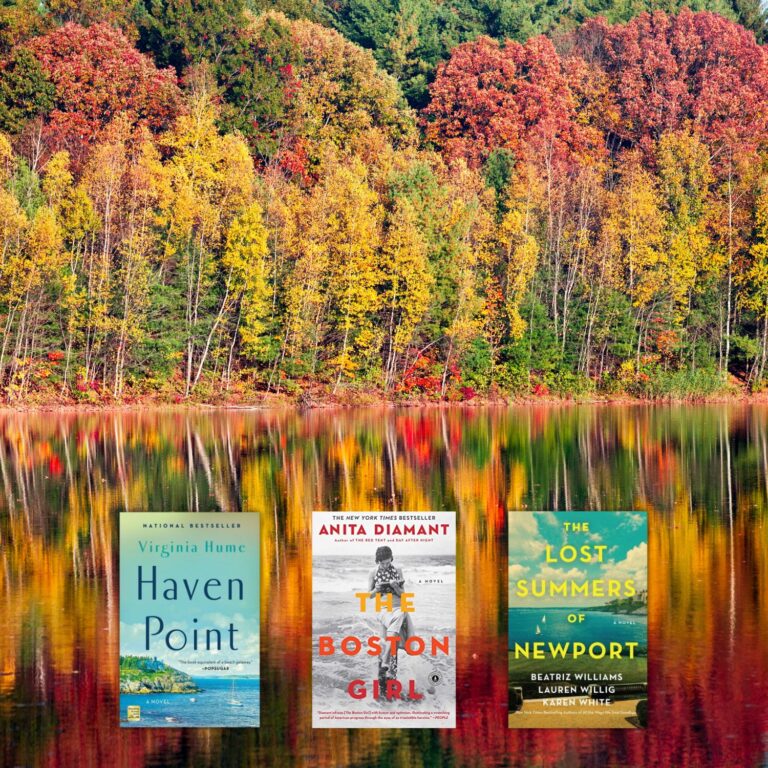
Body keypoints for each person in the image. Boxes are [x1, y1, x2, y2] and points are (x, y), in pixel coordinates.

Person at [367, 545, 415, 695]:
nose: (385, 565)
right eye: (382, 563)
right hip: (384, 609)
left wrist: (396, 587)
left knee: (393, 642)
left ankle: (392, 683)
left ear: (391, 559)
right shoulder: (373, 572)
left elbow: (403, 595)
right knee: (384, 643)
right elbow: (369, 595)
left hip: (398, 608)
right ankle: (382, 684)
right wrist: (377, 589)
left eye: (388, 562)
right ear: (378, 561)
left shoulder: (398, 570)